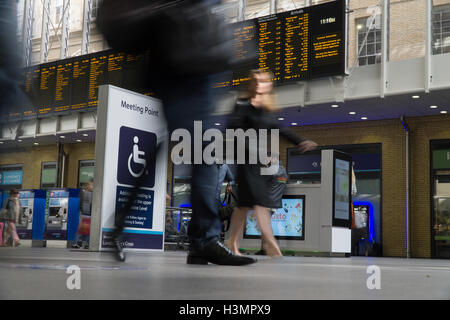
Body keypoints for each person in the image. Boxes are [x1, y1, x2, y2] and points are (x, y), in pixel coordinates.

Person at [108, 1, 256, 265]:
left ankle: (125, 222)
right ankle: (205, 241)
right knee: (205, 151)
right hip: (183, 61)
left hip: (199, 62)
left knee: (191, 147)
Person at [225, 69, 317, 257]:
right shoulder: (242, 104)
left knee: (243, 206)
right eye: (255, 81)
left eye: (263, 81)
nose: (259, 84)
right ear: (251, 84)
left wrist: (300, 141)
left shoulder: (267, 110)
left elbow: (281, 130)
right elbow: (232, 129)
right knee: (260, 202)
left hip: (259, 161)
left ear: (269, 85)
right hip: (245, 159)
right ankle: (270, 243)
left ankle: (231, 241)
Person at [73, 180, 93, 249]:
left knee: (84, 229)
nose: (92, 186)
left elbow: (82, 202)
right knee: (84, 229)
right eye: (91, 185)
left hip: (86, 213)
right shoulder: (87, 193)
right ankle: (81, 243)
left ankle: (81, 243)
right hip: (87, 213)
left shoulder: (85, 192)